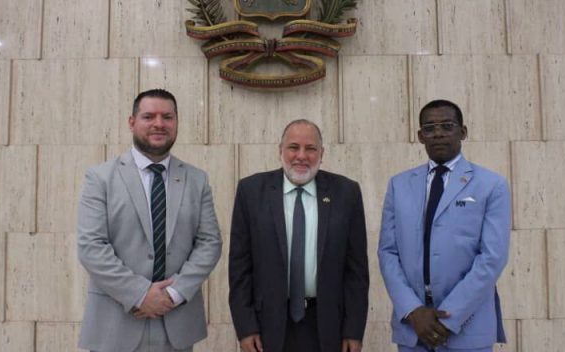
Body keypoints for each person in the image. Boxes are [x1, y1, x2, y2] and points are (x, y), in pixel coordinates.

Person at [77, 89, 222, 352]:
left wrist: (172, 294)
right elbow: (91, 247)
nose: (159, 124)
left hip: (176, 324)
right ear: (132, 122)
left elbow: (209, 243)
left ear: (176, 122)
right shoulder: (100, 178)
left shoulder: (197, 180)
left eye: (167, 117)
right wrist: (140, 294)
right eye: (148, 116)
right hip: (115, 326)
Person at [378, 100, 511, 352]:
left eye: (447, 126)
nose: (438, 133)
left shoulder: (491, 185)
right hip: (413, 329)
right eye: (429, 128)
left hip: (468, 328)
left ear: (463, 131)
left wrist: (450, 316)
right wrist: (413, 310)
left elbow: (492, 258)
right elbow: (388, 253)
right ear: (420, 136)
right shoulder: (399, 185)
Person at [228, 119, 369, 352]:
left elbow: (356, 271)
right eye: (294, 147)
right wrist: (245, 327)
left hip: (328, 326)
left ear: (322, 154)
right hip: (267, 327)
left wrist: (353, 330)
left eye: (310, 148)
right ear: (280, 151)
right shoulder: (250, 191)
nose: (301, 156)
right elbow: (239, 268)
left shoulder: (346, 193)